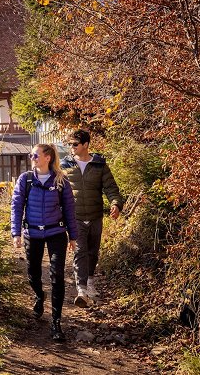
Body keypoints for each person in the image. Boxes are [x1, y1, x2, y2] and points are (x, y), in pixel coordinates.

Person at [12, 143, 78, 342]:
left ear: (48, 157)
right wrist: (16, 232)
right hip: (32, 233)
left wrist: (73, 237)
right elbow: (16, 206)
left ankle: (56, 322)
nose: (32, 158)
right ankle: (40, 296)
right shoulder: (26, 179)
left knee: (57, 274)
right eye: (31, 155)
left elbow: (69, 210)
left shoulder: (60, 181)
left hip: (56, 232)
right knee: (33, 272)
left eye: (35, 155)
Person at [61, 129, 123, 307]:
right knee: (80, 251)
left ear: (85, 145)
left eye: (75, 144)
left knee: (93, 252)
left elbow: (111, 188)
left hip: (96, 216)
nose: (71, 147)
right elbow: (57, 190)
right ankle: (81, 290)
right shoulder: (65, 165)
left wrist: (116, 205)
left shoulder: (99, 165)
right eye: (70, 144)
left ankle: (89, 282)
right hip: (75, 217)